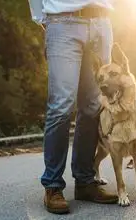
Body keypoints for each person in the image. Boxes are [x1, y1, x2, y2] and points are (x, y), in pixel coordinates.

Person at [28, 0, 118, 215]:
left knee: (93, 106)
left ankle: (85, 181)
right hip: (62, 22)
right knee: (61, 105)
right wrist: (44, 19)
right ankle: (52, 185)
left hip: (100, 22)